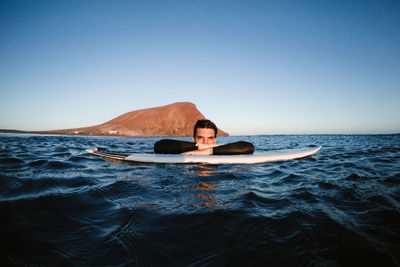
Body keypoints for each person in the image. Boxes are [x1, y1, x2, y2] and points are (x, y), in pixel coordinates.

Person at [154, 119, 254, 155]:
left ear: (215, 139)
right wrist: (198, 147)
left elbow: (249, 147)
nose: (205, 142)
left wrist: (209, 151)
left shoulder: (223, 150)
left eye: (210, 138)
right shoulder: (184, 153)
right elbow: (158, 146)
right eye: (201, 138)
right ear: (194, 139)